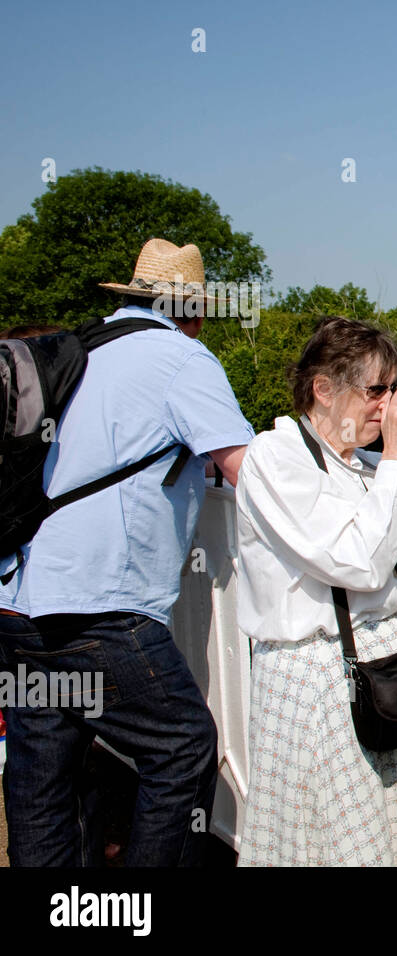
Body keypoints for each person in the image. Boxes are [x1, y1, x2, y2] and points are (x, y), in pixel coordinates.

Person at [0, 238, 253, 866]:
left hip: (16, 600)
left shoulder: (78, 348)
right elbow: (250, 472)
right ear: (192, 311)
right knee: (184, 747)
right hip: (96, 610)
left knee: (43, 779)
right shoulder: (181, 360)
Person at [234, 316, 397, 866]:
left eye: (393, 390)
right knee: (341, 843)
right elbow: (360, 564)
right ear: (323, 389)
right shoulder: (275, 458)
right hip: (321, 682)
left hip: (395, 673)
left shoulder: (371, 466)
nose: (387, 405)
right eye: (376, 390)